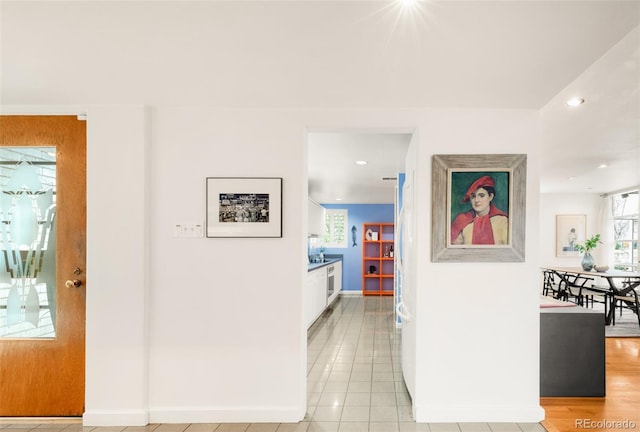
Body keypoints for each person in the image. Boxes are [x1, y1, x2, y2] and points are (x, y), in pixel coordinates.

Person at [450, 175, 508, 245]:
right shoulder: (462, 221)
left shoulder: (503, 221)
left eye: (481, 195)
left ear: (491, 197)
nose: (476, 200)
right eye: (473, 196)